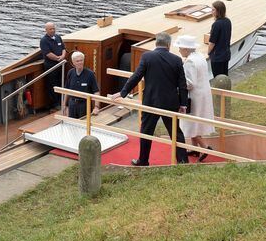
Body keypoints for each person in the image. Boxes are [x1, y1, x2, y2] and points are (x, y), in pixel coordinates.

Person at [109, 32, 190, 165]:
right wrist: (183, 104)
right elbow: (182, 84)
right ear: (169, 45)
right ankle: (182, 160)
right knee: (175, 132)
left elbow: (136, 76)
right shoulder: (176, 60)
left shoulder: (147, 56)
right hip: (170, 102)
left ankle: (143, 160)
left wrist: (122, 93)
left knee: (146, 131)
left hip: (151, 101)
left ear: (156, 43)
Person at [176, 35, 215, 160]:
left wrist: (177, 84)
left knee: (190, 123)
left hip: (194, 97)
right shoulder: (200, 57)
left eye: (180, 48)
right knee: (196, 121)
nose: (179, 50)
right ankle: (194, 149)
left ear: (186, 49)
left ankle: (204, 147)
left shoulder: (190, 62)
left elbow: (189, 83)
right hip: (203, 93)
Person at [62, 51, 100, 119]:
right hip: (72, 104)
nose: (80, 62)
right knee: (72, 124)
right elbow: (66, 90)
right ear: (73, 63)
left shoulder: (90, 74)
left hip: (84, 104)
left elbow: (96, 91)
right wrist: (64, 104)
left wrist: (96, 107)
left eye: (81, 60)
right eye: (77, 61)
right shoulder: (70, 73)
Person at [40, 22, 67, 108]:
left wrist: (63, 56)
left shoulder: (58, 37)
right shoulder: (44, 40)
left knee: (61, 82)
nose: (52, 30)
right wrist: (58, 58)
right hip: (51, 66)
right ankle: (55, 104)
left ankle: (62, 101)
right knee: (52, 85)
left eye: (53, 28)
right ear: (46, 30)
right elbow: (48, 53)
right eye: (50, 29)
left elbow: (63, 48)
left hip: (61, 65)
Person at [207, 0, 232, 77]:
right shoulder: (228, 21)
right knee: (225, 75)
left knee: (217, 77)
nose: (211, 11)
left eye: (213, 10)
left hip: (217, 57)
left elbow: (212, 42)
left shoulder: (216, 24)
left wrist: (208, 52)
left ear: (218, 11)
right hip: (226, 54)